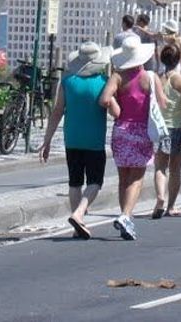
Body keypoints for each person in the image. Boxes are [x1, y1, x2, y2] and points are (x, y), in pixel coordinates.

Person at [40, 41, 110, 239]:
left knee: (75, 182)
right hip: (94, 139)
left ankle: (76, 226)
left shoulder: (67, 81)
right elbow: (113, 108)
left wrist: (47, 140)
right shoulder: (104, 81)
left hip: (72, 138)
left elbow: (57, 111)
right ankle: (79, 214)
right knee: (95, 181)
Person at [99, 35, 166, 240]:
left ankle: (125, 217)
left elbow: (103, 99)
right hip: (141, 131)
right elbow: (162, 104)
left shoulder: (117, 77)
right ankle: (126, 216)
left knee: (123, 178)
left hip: (121, 130)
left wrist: (116, 108)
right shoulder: (150, 78)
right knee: (136, 178)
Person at [152, 44, 181, 218]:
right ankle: (170, 206)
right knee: (175, 169)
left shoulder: (156, 79)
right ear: (178, 60)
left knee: (160, 167)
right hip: (177, 127)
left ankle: (160, 197)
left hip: (160, 128)